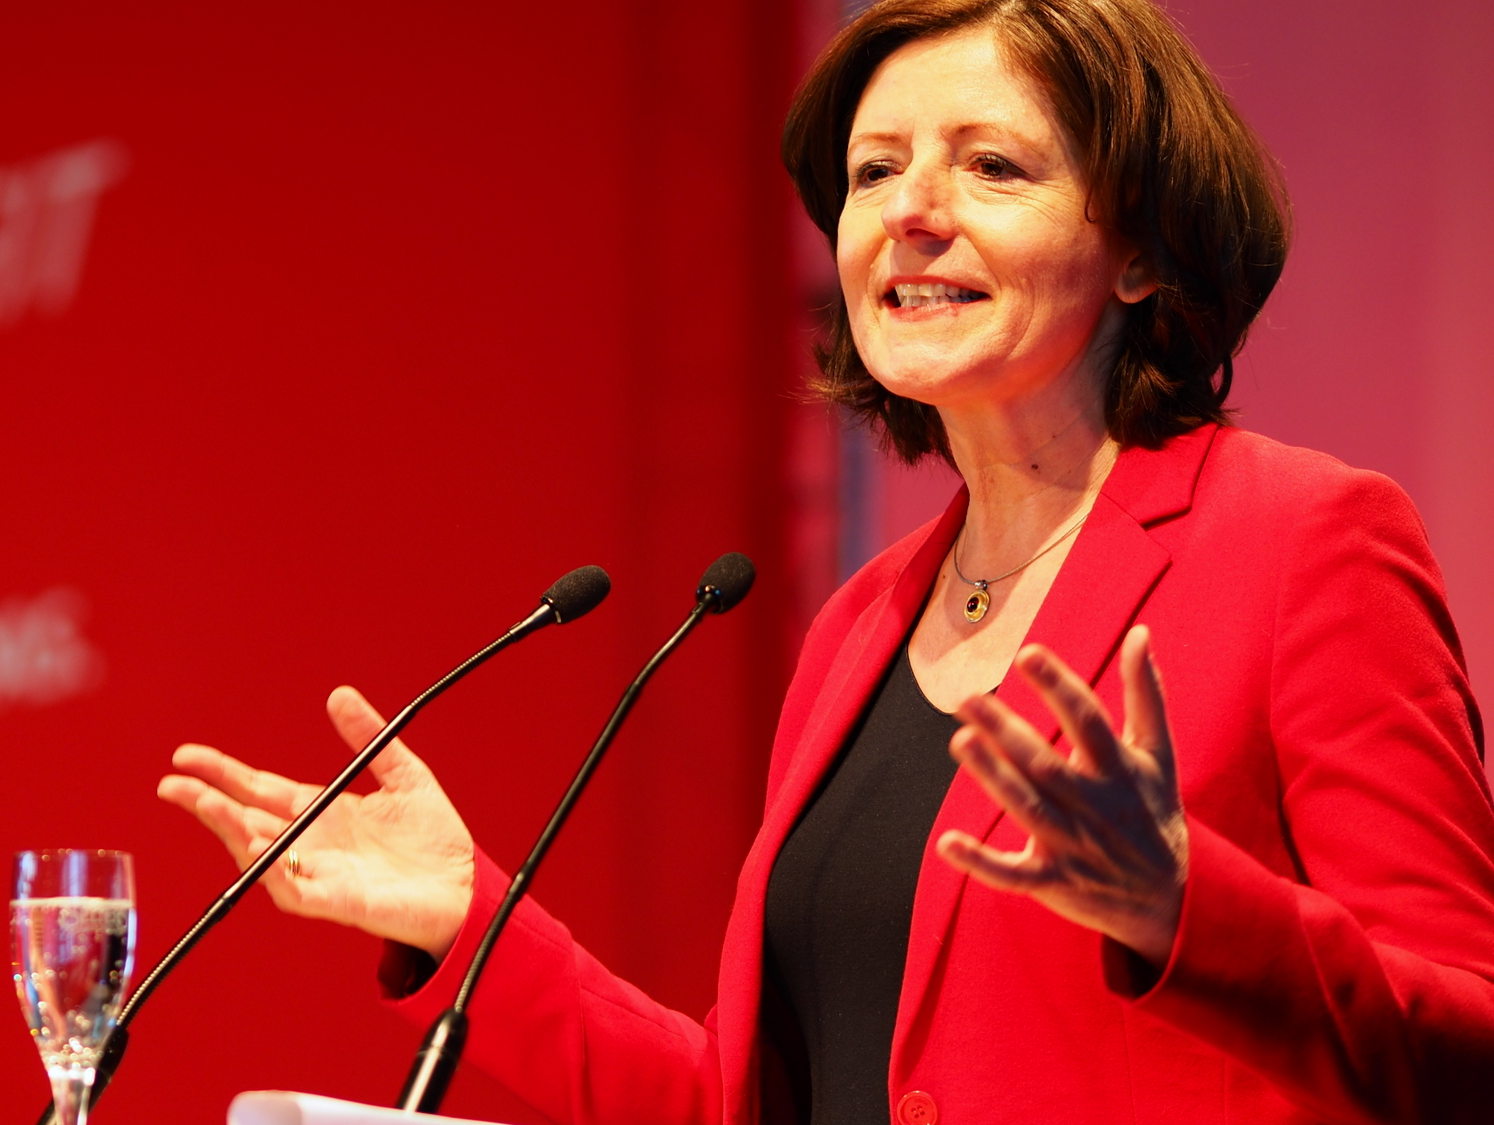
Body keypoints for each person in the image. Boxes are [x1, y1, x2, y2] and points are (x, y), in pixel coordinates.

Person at [157, 0, 1494, 1121]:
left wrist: (1191, 909)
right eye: (872, 173)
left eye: (992, 167)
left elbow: (1468, 1043)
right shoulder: (860, 623)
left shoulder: (1304, 539)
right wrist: (468, 924)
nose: (909, 213)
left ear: (1140, 249)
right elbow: (740, 1103)